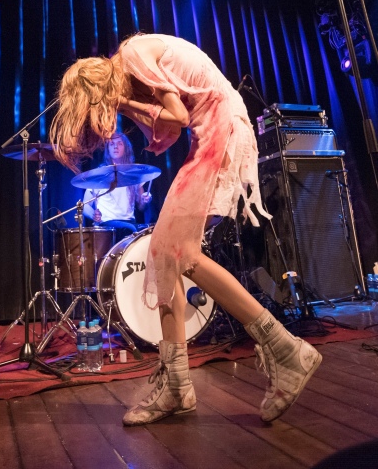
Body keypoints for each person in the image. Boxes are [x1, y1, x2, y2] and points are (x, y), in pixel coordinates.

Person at [50, 33, 322, 426]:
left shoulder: (131, 55)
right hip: (209, 135)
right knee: (164, 253)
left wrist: (123, 102)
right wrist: (129, 105)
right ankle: (177, 383)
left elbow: (177, 118)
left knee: (181, 254)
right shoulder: (132, 72)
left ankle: (285, 350)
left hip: (222, 132)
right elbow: (172, 130)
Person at [82, 131, 152, 237]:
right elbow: (84, 205)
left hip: (129, 223)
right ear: (108, 149)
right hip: (106, 225)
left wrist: (145, 200)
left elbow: (141, 206)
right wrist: (93, 215)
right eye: (112, 144)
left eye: (119, 143)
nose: (115, 147)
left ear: (126, 148)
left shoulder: (133, 174)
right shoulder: (100, 174)